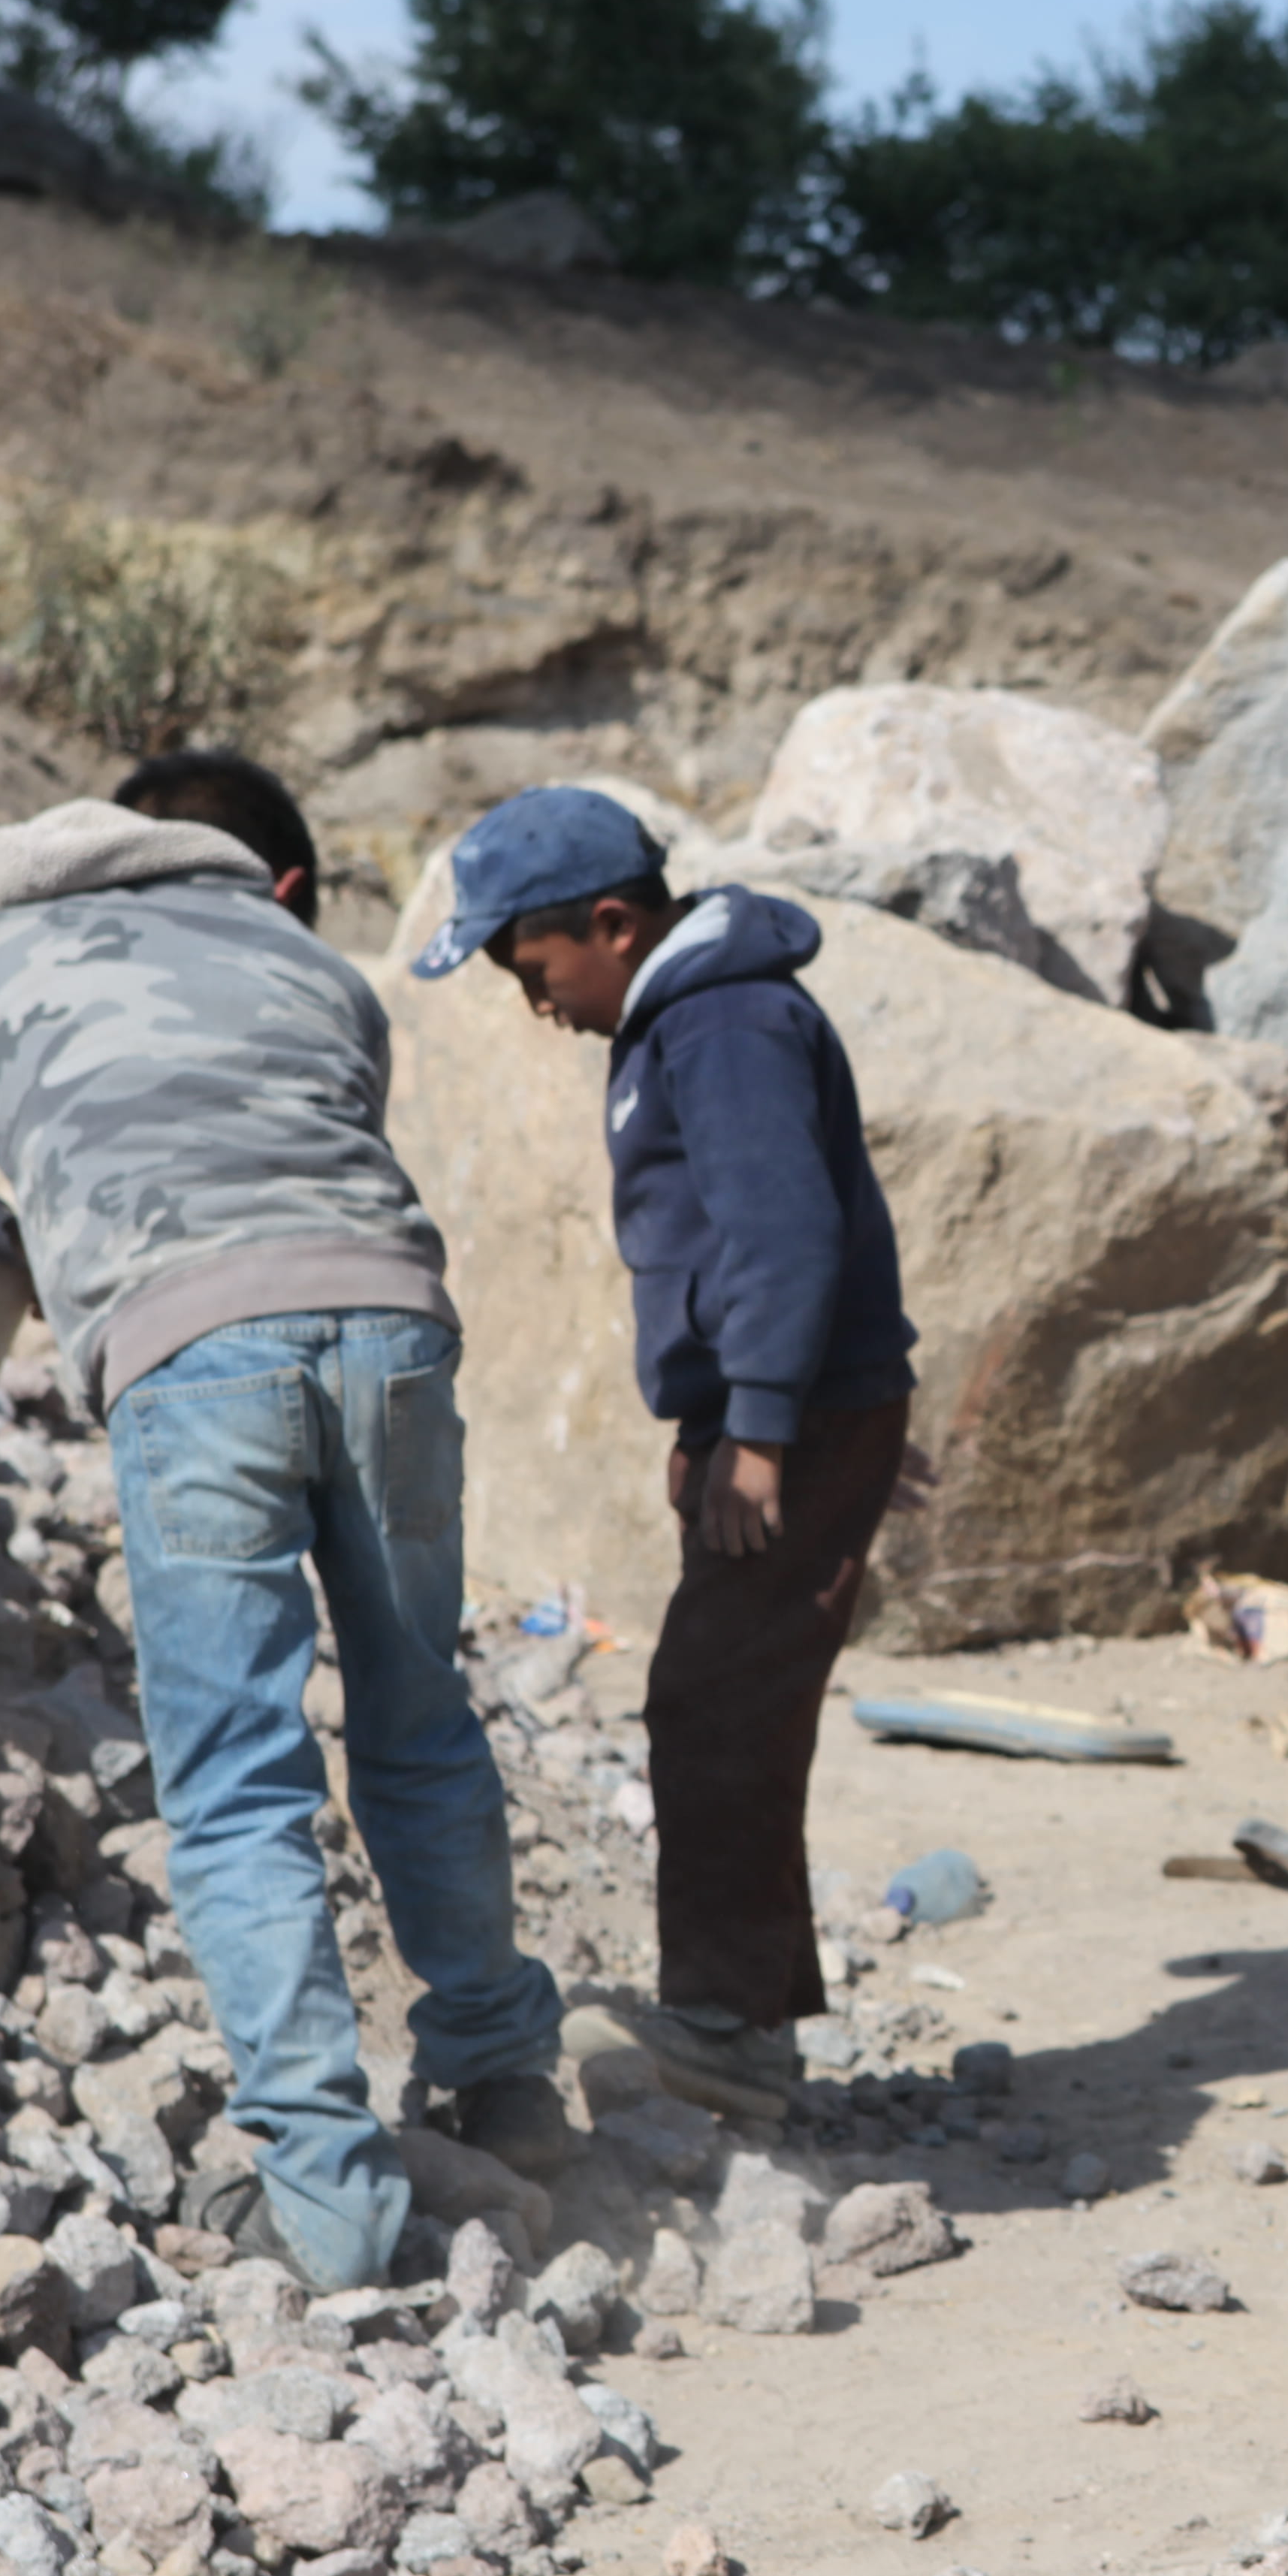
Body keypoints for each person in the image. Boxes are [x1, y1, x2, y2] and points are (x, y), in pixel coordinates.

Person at [0, 750, 575, 2293]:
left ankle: (327, 2203)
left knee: (240, 1782)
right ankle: (509, 2084)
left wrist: (40, 1236)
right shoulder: (313, 966)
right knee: (418, 1713)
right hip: (389, 1323)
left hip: (196, 1360)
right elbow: (309, 1143)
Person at [415, 788, 917, 2122]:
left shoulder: (723, 1021)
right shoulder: (689, 1016)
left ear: (614, 923)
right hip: (772, 1411)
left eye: (536, 970)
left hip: (805, 1413)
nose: (538, 1004)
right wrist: (711, 1422)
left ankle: (736, 2032)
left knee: (723, 1700)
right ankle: (736, 2011)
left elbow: (783, 1235)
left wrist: (756, 1428)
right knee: (714, 1691)